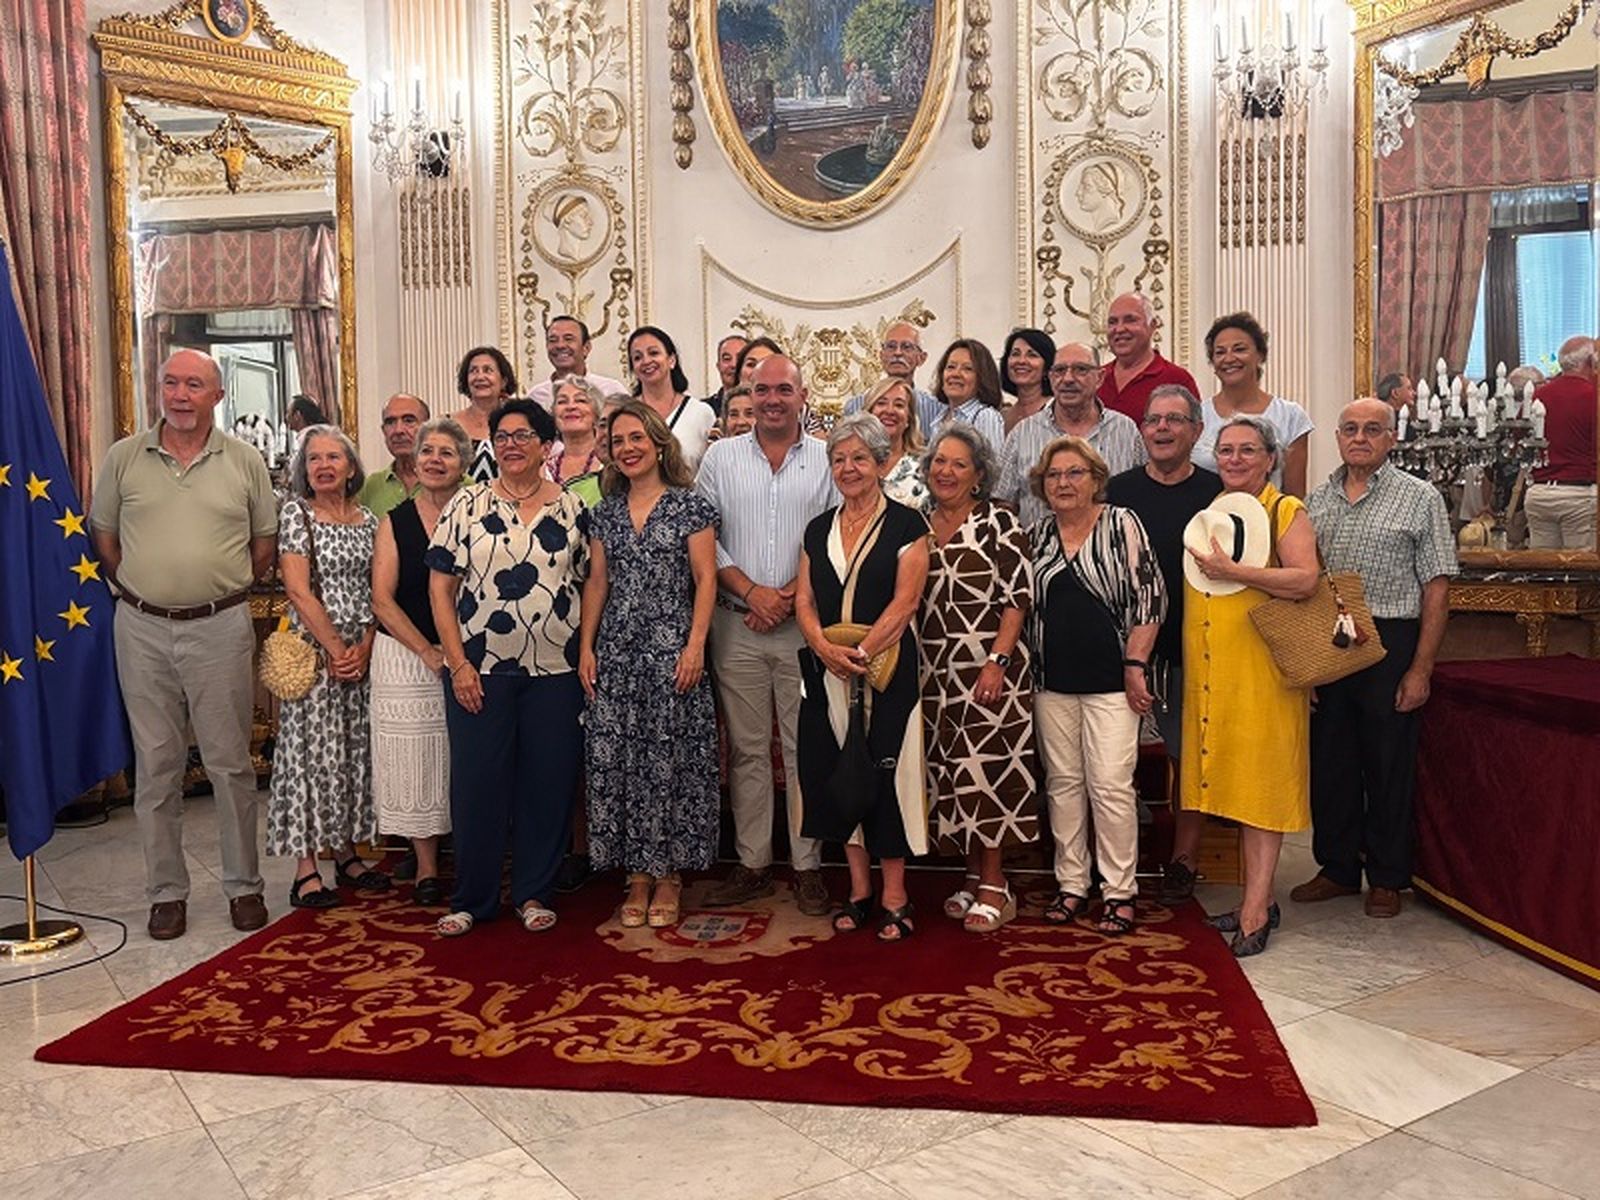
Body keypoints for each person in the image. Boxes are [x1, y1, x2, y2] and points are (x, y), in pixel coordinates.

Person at [90, 348, 277, 941]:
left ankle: (243, 887)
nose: (178, 394)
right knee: (156, 767)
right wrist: (148, 590)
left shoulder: (244, 461)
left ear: (217, 396)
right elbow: (106, 539)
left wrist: (211, 589)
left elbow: (263, 545)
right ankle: (166, 894)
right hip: (140, 628)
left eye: (193, 384)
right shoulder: (123, 458)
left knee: (229, 765)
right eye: (170, 382)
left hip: (219, 626)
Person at [426, 399, 590, 936]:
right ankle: (473, 896)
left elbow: (589, 584)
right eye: (503, 435)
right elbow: (440, 588)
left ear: (547, 446)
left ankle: (534, 892)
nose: (512, 444)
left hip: (555, 674)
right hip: (481, 672)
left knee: (547, 783)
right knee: (478, 783)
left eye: (524, 435)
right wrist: (458, 664)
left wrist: (585, 650)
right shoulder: (467, 504)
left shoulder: (571, 509)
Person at [1297, 398, 1458, 918]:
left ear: (1392, 438)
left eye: (1372, 429)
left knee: (1388, 763)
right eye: (1349, 429)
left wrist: (1421, 669)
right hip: (1331, 641)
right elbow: (1305, 586)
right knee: (1331, 761)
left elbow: (1436, 587)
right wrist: (1308, 666)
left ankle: (1388, 876)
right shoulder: (1315, 501)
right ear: (1338, 437)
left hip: (1392, 640)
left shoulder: (1420, 498)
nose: (1359, 437)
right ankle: (1338, 868)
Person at [694, 354, 838, 914]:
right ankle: (752, 861)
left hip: (804, 625)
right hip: (736, 623)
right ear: (747, 395)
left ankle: (806, 864)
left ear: (803, 395)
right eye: (762, 390)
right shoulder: (720, 459)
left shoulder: (828, 459)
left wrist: (783, 599)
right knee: (748, 749)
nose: (772, 399)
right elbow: (703, 537)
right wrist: (752, 592)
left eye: (784, 389)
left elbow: (831, 538)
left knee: (806, 749)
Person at [578, 402, 720, 928]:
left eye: (637, 437)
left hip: (671, 649)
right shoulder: (605, 511)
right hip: (616, 651)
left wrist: (695, 644)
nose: (629, 448)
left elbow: (705, 580)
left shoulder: (690, 507)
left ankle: (670, 877)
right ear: (611, 453)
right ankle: (636, 875)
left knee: (670, 763)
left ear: (659, 443)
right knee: (621, 763)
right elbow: (597, 582)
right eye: (619, 441)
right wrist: (587, 647)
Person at [1183, 416, 1320, 955]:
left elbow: (1305, 578)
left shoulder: (1286, 510)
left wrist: (1239, 571)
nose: (1235, 459)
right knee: (1239, 787)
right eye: (1226, 450)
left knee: (1264, 788)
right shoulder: (1213, 512)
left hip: (1264, 672)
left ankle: (1257, 908)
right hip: (1217, 670)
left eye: (1248, 450)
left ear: (1270, 458)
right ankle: (1253, 896)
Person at [795, 413, 931, 940]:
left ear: (880, 462)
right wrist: (823, 647)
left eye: (858, 458)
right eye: (838, 459)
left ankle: (895, 893)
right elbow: (804, 599)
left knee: (887, 775)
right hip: (827, 667)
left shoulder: (907, 524)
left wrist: (862, 652)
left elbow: (906, 601)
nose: (848, 468)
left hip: (888, 670)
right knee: (839, 771)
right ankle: (857, 889)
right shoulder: (817, 528)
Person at [1028, 436, 1164, 934]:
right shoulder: (1037, 535)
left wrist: (1135, 664)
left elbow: (1150, 598)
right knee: (1063, 785)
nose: (1063, 483)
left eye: (1074, 473)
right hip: (1051, 682)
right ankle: (1071, 883)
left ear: (1095, 479)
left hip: (1112, 682)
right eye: (1054, 475)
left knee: (1110, 785)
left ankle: (1119, 891)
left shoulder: (1121, 524)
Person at [1105, 384, 1222, 904]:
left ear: (1196, 430)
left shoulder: (1218, 493)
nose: (1163, 429)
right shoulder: (1118, 489)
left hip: (1191, 648)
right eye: (1154, 420)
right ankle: (1116, 857)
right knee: (1112, 760)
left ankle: (1184, 858)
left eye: (1175, 420)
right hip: (1123, 648)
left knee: (1187, 758)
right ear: (1142, 430)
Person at [920, 424, 1037, 933]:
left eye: (957, 464)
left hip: (989, 668)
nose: (945, 471)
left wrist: (998, 661)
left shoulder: (998, 521)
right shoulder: (917, 525)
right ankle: (971, 875)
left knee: (988, 774)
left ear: (979, 475)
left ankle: (996, 882)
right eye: (938, 462)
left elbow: (1018, 598)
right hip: (933, 671)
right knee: (952, 774)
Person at [269, 425, 387, 908]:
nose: (322, 466)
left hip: (361, 653)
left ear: (351, 467)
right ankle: (305, 871)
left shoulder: (371, 521)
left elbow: (382, 592)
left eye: (333, 457)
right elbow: (298, 589)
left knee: (352, 756)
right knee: (310, 759)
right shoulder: (297, 514)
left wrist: (366, 646)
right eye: (313, 458)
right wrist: (338, 650)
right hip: (317, 658)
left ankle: (346, 854)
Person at [370, 417, 470, 908]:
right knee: (415, 763)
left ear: (463, 465)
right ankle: (427, 866)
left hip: (470, 655)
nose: (434, 459)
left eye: (446, 453)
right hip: (407, 658)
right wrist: (427, 651)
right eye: (427, 451)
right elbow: (382, 600)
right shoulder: (395, 520)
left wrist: (455, 653)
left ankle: (470, 853)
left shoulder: (478, 513)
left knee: (465, 759)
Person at [997, 342, 1146, 527]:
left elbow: (1143, 496)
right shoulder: (1022, 433)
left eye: (1080, 370)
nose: (1068, 378)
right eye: (1059, 370)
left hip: (1112, 552)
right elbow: (1002, 503)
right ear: (1050, 378)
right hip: (1038, 553)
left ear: (1100, 378)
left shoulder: (1126, 431)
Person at [1191, 313, 1314, 497]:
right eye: (1220, 352)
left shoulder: (1291, 416)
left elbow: (1294, 496)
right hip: (1207, 522)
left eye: (1239, 349)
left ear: (1260, 355)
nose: (1229, 358)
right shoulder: (1196, 416)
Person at [1526, 336, 1597, 549]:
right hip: (1579, 495)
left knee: (1543, 570)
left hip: (1539, 493)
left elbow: (1520, 440)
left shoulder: (1537, 396)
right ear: (1591, 362)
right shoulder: (1594, 397)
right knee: (1582, 572)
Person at [1098, 293, 1200, 423]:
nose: (1119, 329)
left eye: (1130, 320)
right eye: (1112, 322)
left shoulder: (1178, 379)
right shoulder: (1095, 379)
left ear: (1153, 326)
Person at [629, 326, 718, 472]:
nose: (646, 361)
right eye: (638, 357)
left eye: (653, 353)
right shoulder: (626, 413)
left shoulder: (701, 413)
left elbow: (711, 469)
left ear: (672, 360)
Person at [843, 321, 942, 435]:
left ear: (921, 358)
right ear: (881, 356)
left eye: (906, 347)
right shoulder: (856, 406)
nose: (898, 353)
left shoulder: (935, 409)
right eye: (891, 346)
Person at [527, 315, 626, 411]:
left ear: (586, 348)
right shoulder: (536, 397)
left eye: (568, 339)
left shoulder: (611, 391)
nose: (560, 345)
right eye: (553, 340)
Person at [453, 346, 520, 482]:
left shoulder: (519, 424)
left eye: (487, 370)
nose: (480, 377)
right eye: (473, 371)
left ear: (503, 381)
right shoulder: (448, 425)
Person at [358, 393, 430, 518]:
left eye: (409, 420)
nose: (398, 430)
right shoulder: (370, 487)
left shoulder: (455, 482)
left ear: (428, 428)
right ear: (383, 431)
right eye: (390, 422)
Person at [863, 376, 928, 509]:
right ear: (869, 412)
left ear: (909, 418)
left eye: (899, 405)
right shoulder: (851, 463)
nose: (890, 411)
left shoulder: (927, 466)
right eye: (881, 403)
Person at [931, 338, 1006, 450]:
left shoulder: (985, 416)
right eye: (951, 367)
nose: (956, 374)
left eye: (967, 369)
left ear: (983, 377)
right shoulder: (940, 417)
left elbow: (992, 466)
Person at [545, 375, 607, 507]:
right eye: (562, 402)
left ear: (596, 413)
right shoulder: (544, 469)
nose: (570, 407)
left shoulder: (610, 464)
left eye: (580, 400)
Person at [1000, 328, 1056, 433]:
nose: (1021, 361)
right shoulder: (1001, 417)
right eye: (1015, 354)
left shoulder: (1057, 411)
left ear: (1047, 367)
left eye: (1032, 355)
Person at [705, 333, 748, 417]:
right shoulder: (704, 409)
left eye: (739, 358)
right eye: (727, 359)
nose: (734, 364)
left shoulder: (761, 406)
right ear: (718, 366)